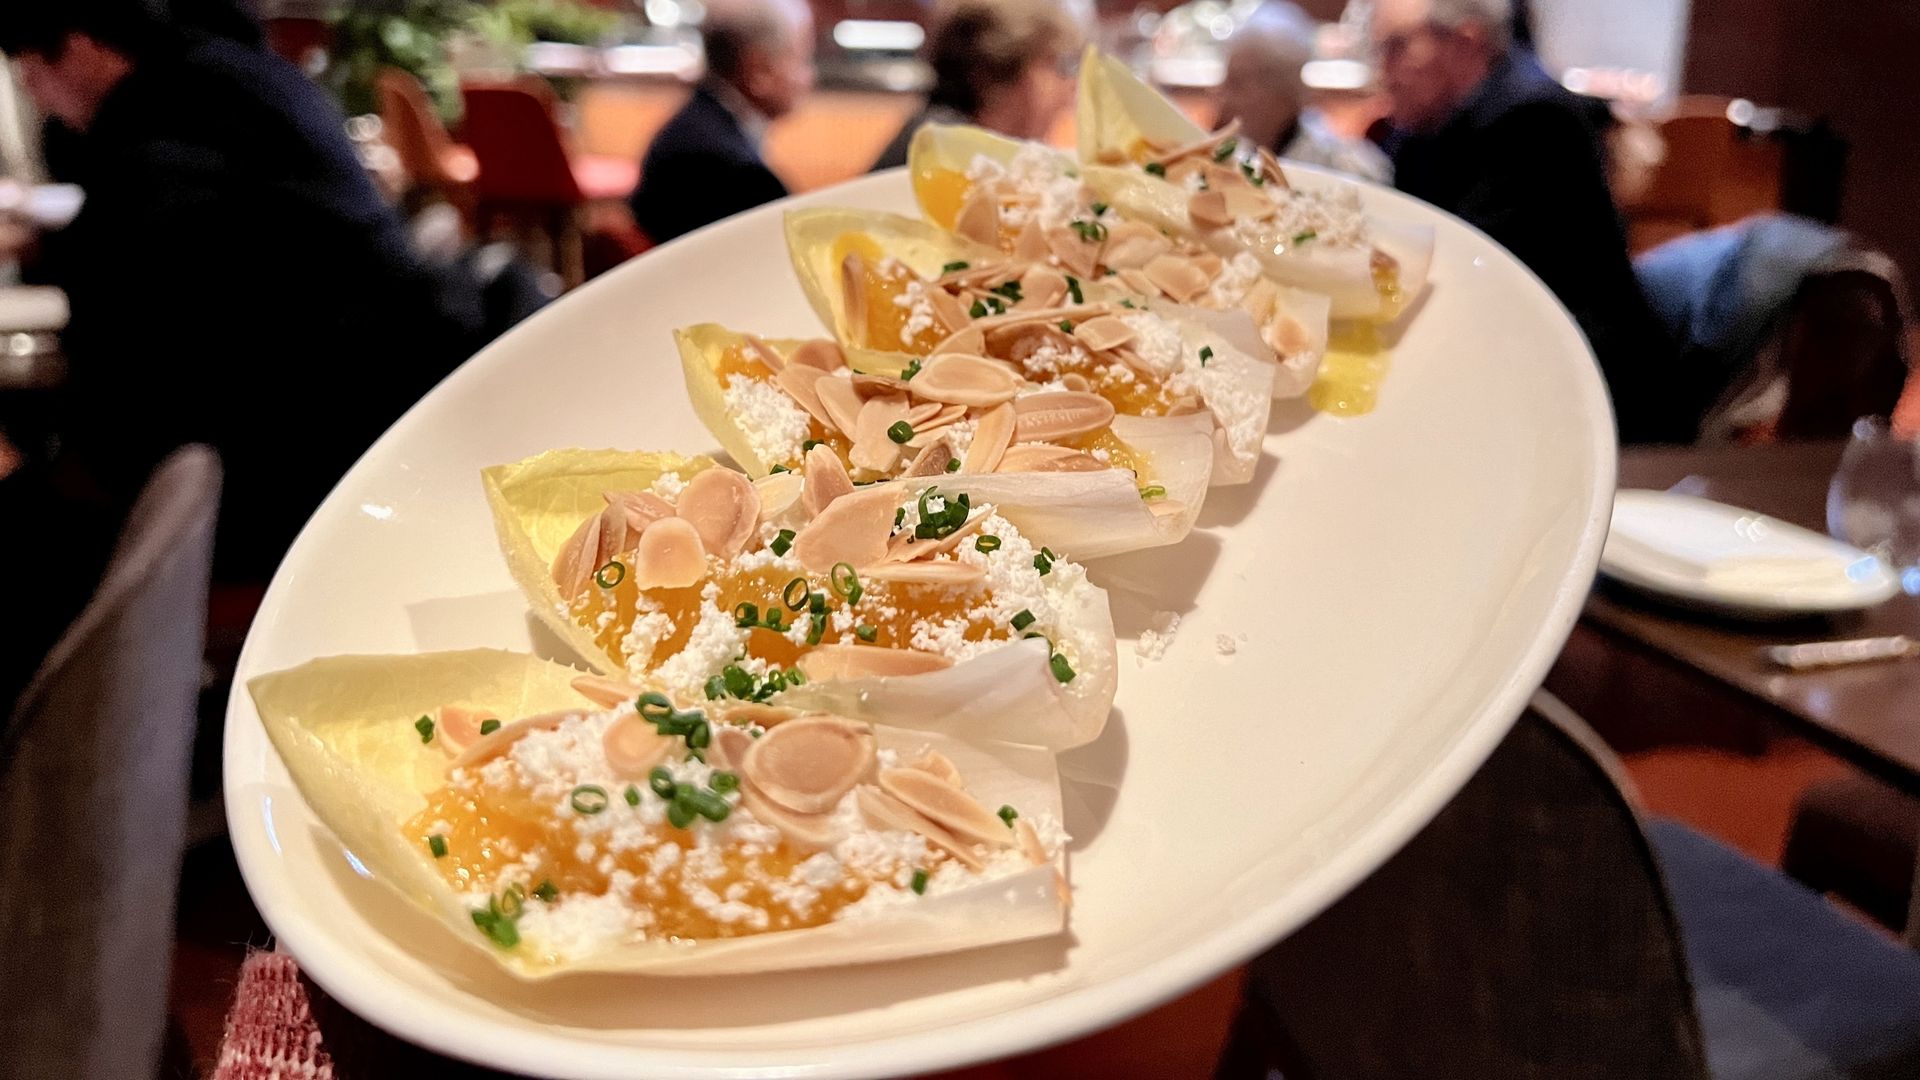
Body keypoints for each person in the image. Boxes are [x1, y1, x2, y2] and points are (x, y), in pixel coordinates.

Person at [0, 1, 484, 579]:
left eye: (32, 76)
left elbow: (134, 335)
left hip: (306, 466)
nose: (39, 99)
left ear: (79, 50)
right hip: (379, 416)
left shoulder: (168, 123)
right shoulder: (232, 78)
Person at [1371, 0, 1684, 442]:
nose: (1380, 69)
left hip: (1593, 395)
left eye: (1396, 46)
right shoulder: (1423, 127)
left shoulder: (1534, 120)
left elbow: (1465, 274)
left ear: (1465, 42)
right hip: (1511, 366)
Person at [629, 0, 814, 243]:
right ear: (759, 71)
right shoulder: (735, 173)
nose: (811, 76)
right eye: (802, 58)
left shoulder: (692, 128)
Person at [868, 0, 1081, 172]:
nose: (1070, 87)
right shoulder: (946, 149)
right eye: (1055, 66)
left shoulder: (940, 129)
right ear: (994, 74)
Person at [1216, 3, 1391, 183]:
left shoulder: (1344, 170)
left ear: (1283, 91)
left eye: (1237, 83)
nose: (1223, 96)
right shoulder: (1230, 157)